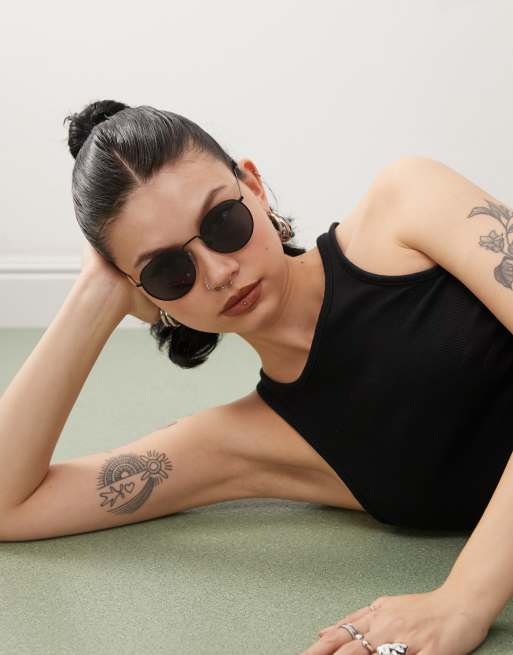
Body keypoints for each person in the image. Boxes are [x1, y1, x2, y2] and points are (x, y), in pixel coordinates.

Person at [0, 100, 510, 654]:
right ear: (144, 295)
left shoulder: (405, 205)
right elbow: (9, 504)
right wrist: (94, 296)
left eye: (223, 222)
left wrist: (464, 598)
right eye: (168, 271)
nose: (219, 273)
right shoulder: (243, 443)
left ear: (255, 187)